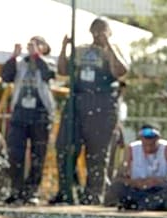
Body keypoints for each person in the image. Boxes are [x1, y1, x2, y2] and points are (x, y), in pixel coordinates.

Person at [53, 17, 129, 206]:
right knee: (65, 148)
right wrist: (64, 47)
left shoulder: (115, 50)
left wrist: (108, 45)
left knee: (97, 154)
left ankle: (94, 195)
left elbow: (120, 71)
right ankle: (68, 191)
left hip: (102, 106)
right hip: (77, 103)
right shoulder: (81, 50)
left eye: (102, 31)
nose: (98, 35)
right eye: (95, 31)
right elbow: (62, 70)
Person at [1, 35, 56, 205]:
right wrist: (13, 56)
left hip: (40, 114)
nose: (33, 46)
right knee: (15, 152)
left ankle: (31, 191)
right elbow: (6, 76)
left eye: (38, 43)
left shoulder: (48, 61)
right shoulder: (20, 63)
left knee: (38, 154)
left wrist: (36, 55)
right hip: (20, 113)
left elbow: (48, 74)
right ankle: (16, 190)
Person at [105, 124, 167, 210]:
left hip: (161, 191)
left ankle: (148, 203)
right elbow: (118, 178)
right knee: (117, 187)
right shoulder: (132, 149)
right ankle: (144, 203)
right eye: (146, 139)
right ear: (141, 139)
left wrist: (164, 179)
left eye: (152, 140)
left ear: (158, 138)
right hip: (137, 190)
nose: (149, 143)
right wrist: (134, 182)